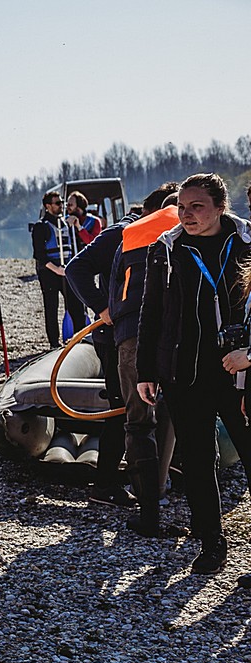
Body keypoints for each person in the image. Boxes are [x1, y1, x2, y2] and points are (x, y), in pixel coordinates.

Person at [137, 173, 251, 575]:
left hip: (240, 374)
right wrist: (146, 371)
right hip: (185, 374)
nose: (187, 215)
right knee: (200, 463)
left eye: (197, 207)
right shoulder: (166, 249)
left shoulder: (246, 243)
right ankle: (211, 541)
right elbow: (151, 313)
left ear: (221, 207)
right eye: (182, 208)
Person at [107, 184, 183, 537]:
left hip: (132, 337)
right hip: (182, 336)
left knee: (138, 424)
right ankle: (201, 519)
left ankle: (149, 514)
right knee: (193, 420)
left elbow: (115, 292)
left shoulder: (131, 232)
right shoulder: (201, 227)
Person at [65, 199, 142, 509]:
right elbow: (76, 269)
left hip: (142, 335)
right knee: (120, 408)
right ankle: (105, 484)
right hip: (115, 336)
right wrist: (102, 307)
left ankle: (151, 475)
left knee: (136, 407)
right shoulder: (121, 234)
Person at [32, 191, 86, 348]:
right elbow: (39, 255)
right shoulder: (40, 227)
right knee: (51, 307)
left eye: (62, 202)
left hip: (67, 270)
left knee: (76, 304)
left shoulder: (67, 224)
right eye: (57, 203)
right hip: (49, 272)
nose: (61, 206)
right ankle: (54, 343)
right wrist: (57, 270)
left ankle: (80, 336)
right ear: (48, 206)